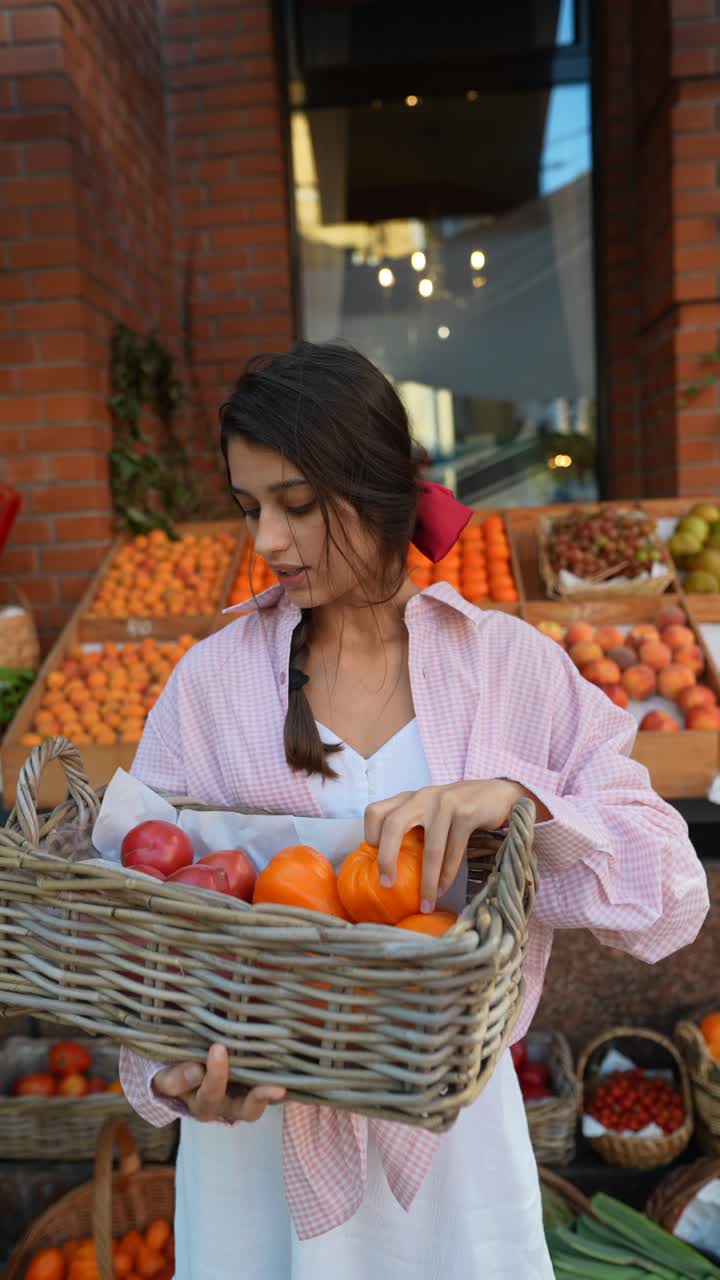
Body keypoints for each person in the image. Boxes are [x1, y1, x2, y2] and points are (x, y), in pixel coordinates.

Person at [120, 341, 709, 1280]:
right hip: (257, 1153)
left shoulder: (507, 668)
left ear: (382, 487)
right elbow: (137, 928)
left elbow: (669, 893)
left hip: (454, 1149)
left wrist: (521, 803)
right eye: (249, 508)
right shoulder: (211, 684)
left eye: (298, 506)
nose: (266, 541)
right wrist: (172, 1078)